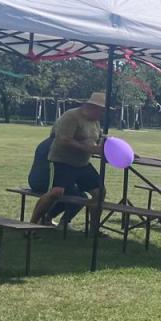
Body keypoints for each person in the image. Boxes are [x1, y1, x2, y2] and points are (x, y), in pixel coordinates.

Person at [39, 92, 107, 226]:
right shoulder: (71, 116)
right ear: (92, 107)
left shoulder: (95, 122)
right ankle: (34, 222)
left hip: (82, 164)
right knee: (56, 192)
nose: (102, 114)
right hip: (62, 161)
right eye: (101, 110)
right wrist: (88, 148)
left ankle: (93, 229)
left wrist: (116, 152)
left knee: (99, 192)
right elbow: (64, 140)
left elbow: (98, 140)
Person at [26, 132, 65, 224]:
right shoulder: (57, 145)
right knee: (80, 196)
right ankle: (58, 221)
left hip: (33, 180)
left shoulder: (45, 142)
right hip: (45, 182)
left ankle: (46, 219)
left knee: (71, 193)